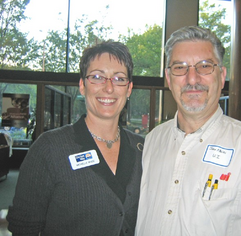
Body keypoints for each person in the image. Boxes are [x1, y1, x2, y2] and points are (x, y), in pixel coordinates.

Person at [135, 26, 241, 235]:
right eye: (180, 67)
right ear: (169, 78)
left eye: (204, 66)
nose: (192, 79)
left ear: (221, 76)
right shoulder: (152, 141)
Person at [7, 40, 144, 236]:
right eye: (97, 77)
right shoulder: (49, 148)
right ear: (82, 85)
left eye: (119, 78)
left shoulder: (143, 149)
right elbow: (23, 226)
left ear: (129, 89)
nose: (108, 88)